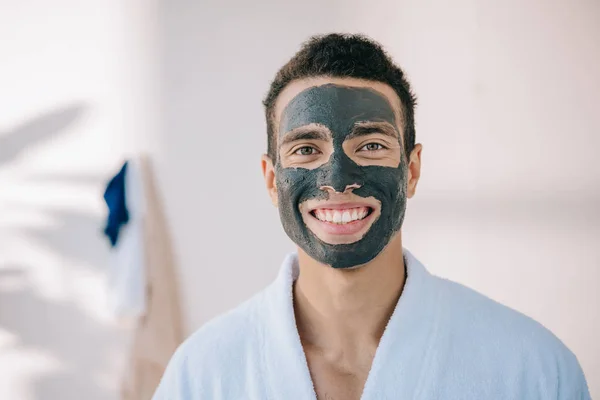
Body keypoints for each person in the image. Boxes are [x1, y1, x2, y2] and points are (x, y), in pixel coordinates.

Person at [152, 33, 590, 400]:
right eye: (306, 150)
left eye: (371, 146)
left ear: (412, 170)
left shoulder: (532, 370)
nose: (338, 181)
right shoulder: (201, 376)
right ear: (271, 180)